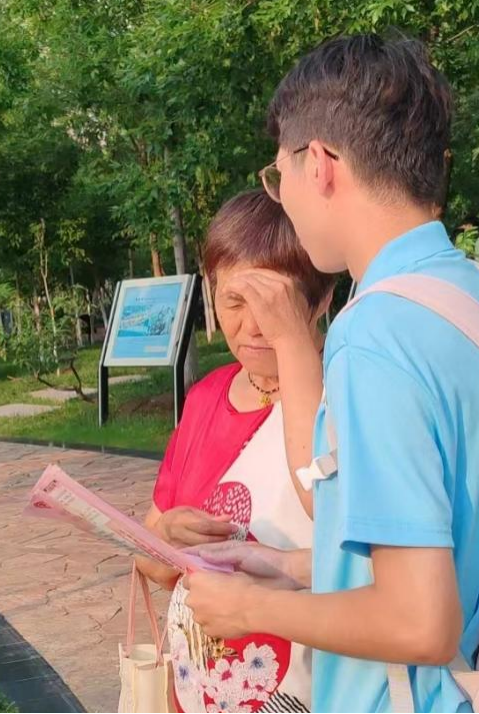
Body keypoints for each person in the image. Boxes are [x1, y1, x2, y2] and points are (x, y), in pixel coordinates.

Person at [184, 34, 479, 713]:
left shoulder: (374, 335)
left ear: (321, 165)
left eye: (278, 176)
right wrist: (293, 569)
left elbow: (419, 622)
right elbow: (440, 541)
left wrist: (247, 608)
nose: (281, 198)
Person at [135, 189, 335, 713]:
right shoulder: (206, 398)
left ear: (321, 298)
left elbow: (385, 572)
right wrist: (168, 534)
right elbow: (153, 564)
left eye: (271, 303)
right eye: (233, 301)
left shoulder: (344, 397)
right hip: (196, 686)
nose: (252, 326)